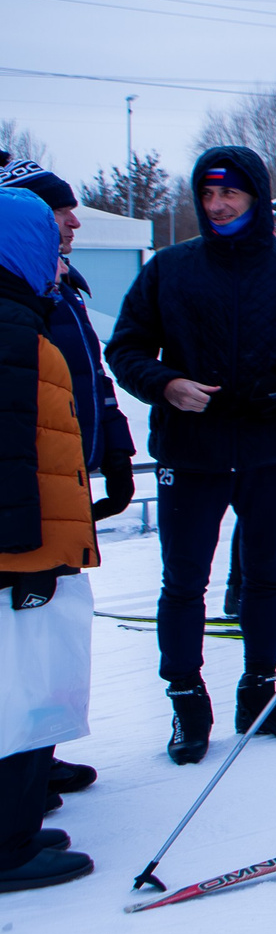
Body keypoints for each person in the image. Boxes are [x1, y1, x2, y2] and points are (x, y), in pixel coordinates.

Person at [107, 147, 276, 763]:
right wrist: (165, 384)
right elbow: (126, 348)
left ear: (257, 197)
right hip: (191, 451)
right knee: (184, 582)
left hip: (273, 448)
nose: (217, 206)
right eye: (208, 196)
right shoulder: (170, 269)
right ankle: (187, 698)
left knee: (268, 578)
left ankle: (260, 693)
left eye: (231, 195)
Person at [3, 158, 133, 804]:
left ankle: (37, 752)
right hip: (31, 492)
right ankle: (20, 770)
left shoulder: (62, 288)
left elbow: (90, 375)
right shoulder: (23, 295)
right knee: (25, 644)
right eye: (60, 212)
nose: (74, 222)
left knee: (53, 640)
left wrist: (115, 448)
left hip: (63, 477)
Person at [0, 190, 104, 891]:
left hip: (33, 543)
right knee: (22, 689)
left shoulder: (19, 312)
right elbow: (8, 451)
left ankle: (20, 820)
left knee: (30, 686)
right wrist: (21, 558)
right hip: (22, 551)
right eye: (48, 233)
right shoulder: (8, 324)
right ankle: (8, 844)